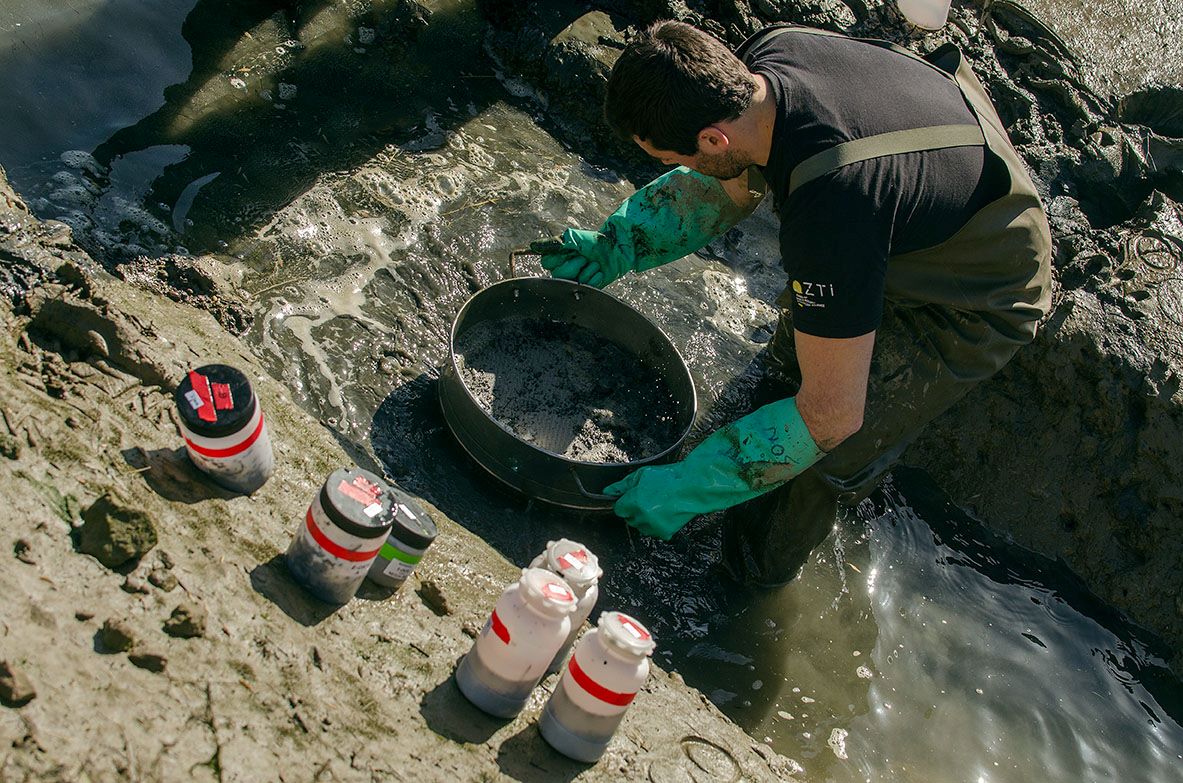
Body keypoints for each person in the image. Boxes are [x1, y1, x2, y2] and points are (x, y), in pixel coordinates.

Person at [532, 21, 1052, 585]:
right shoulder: (760, 63)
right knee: (787, 376)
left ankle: (747, 583)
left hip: (972, 287)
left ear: (712, 140)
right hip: (914, 176)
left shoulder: (830, 212)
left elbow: (832, 417)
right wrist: (626, 241)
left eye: (670, 159)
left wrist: (690, 486)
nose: (670, 169)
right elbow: (729, 180)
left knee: (823, 457)